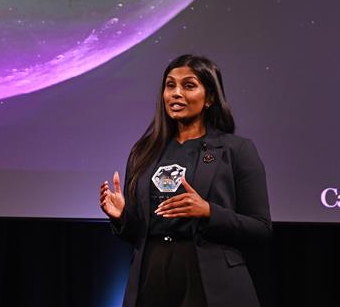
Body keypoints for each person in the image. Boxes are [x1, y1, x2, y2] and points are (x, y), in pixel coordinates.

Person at [99, 54, 270, 307]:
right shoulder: (145, 152)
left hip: (209, 278)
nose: (176, 93)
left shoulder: (236, 150)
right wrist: (121, 216)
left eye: (188, 86)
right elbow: (139, 233)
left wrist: (209, 212)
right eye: (170, 86)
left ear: (210, 97)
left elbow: (261, 229)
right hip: (152, 275)